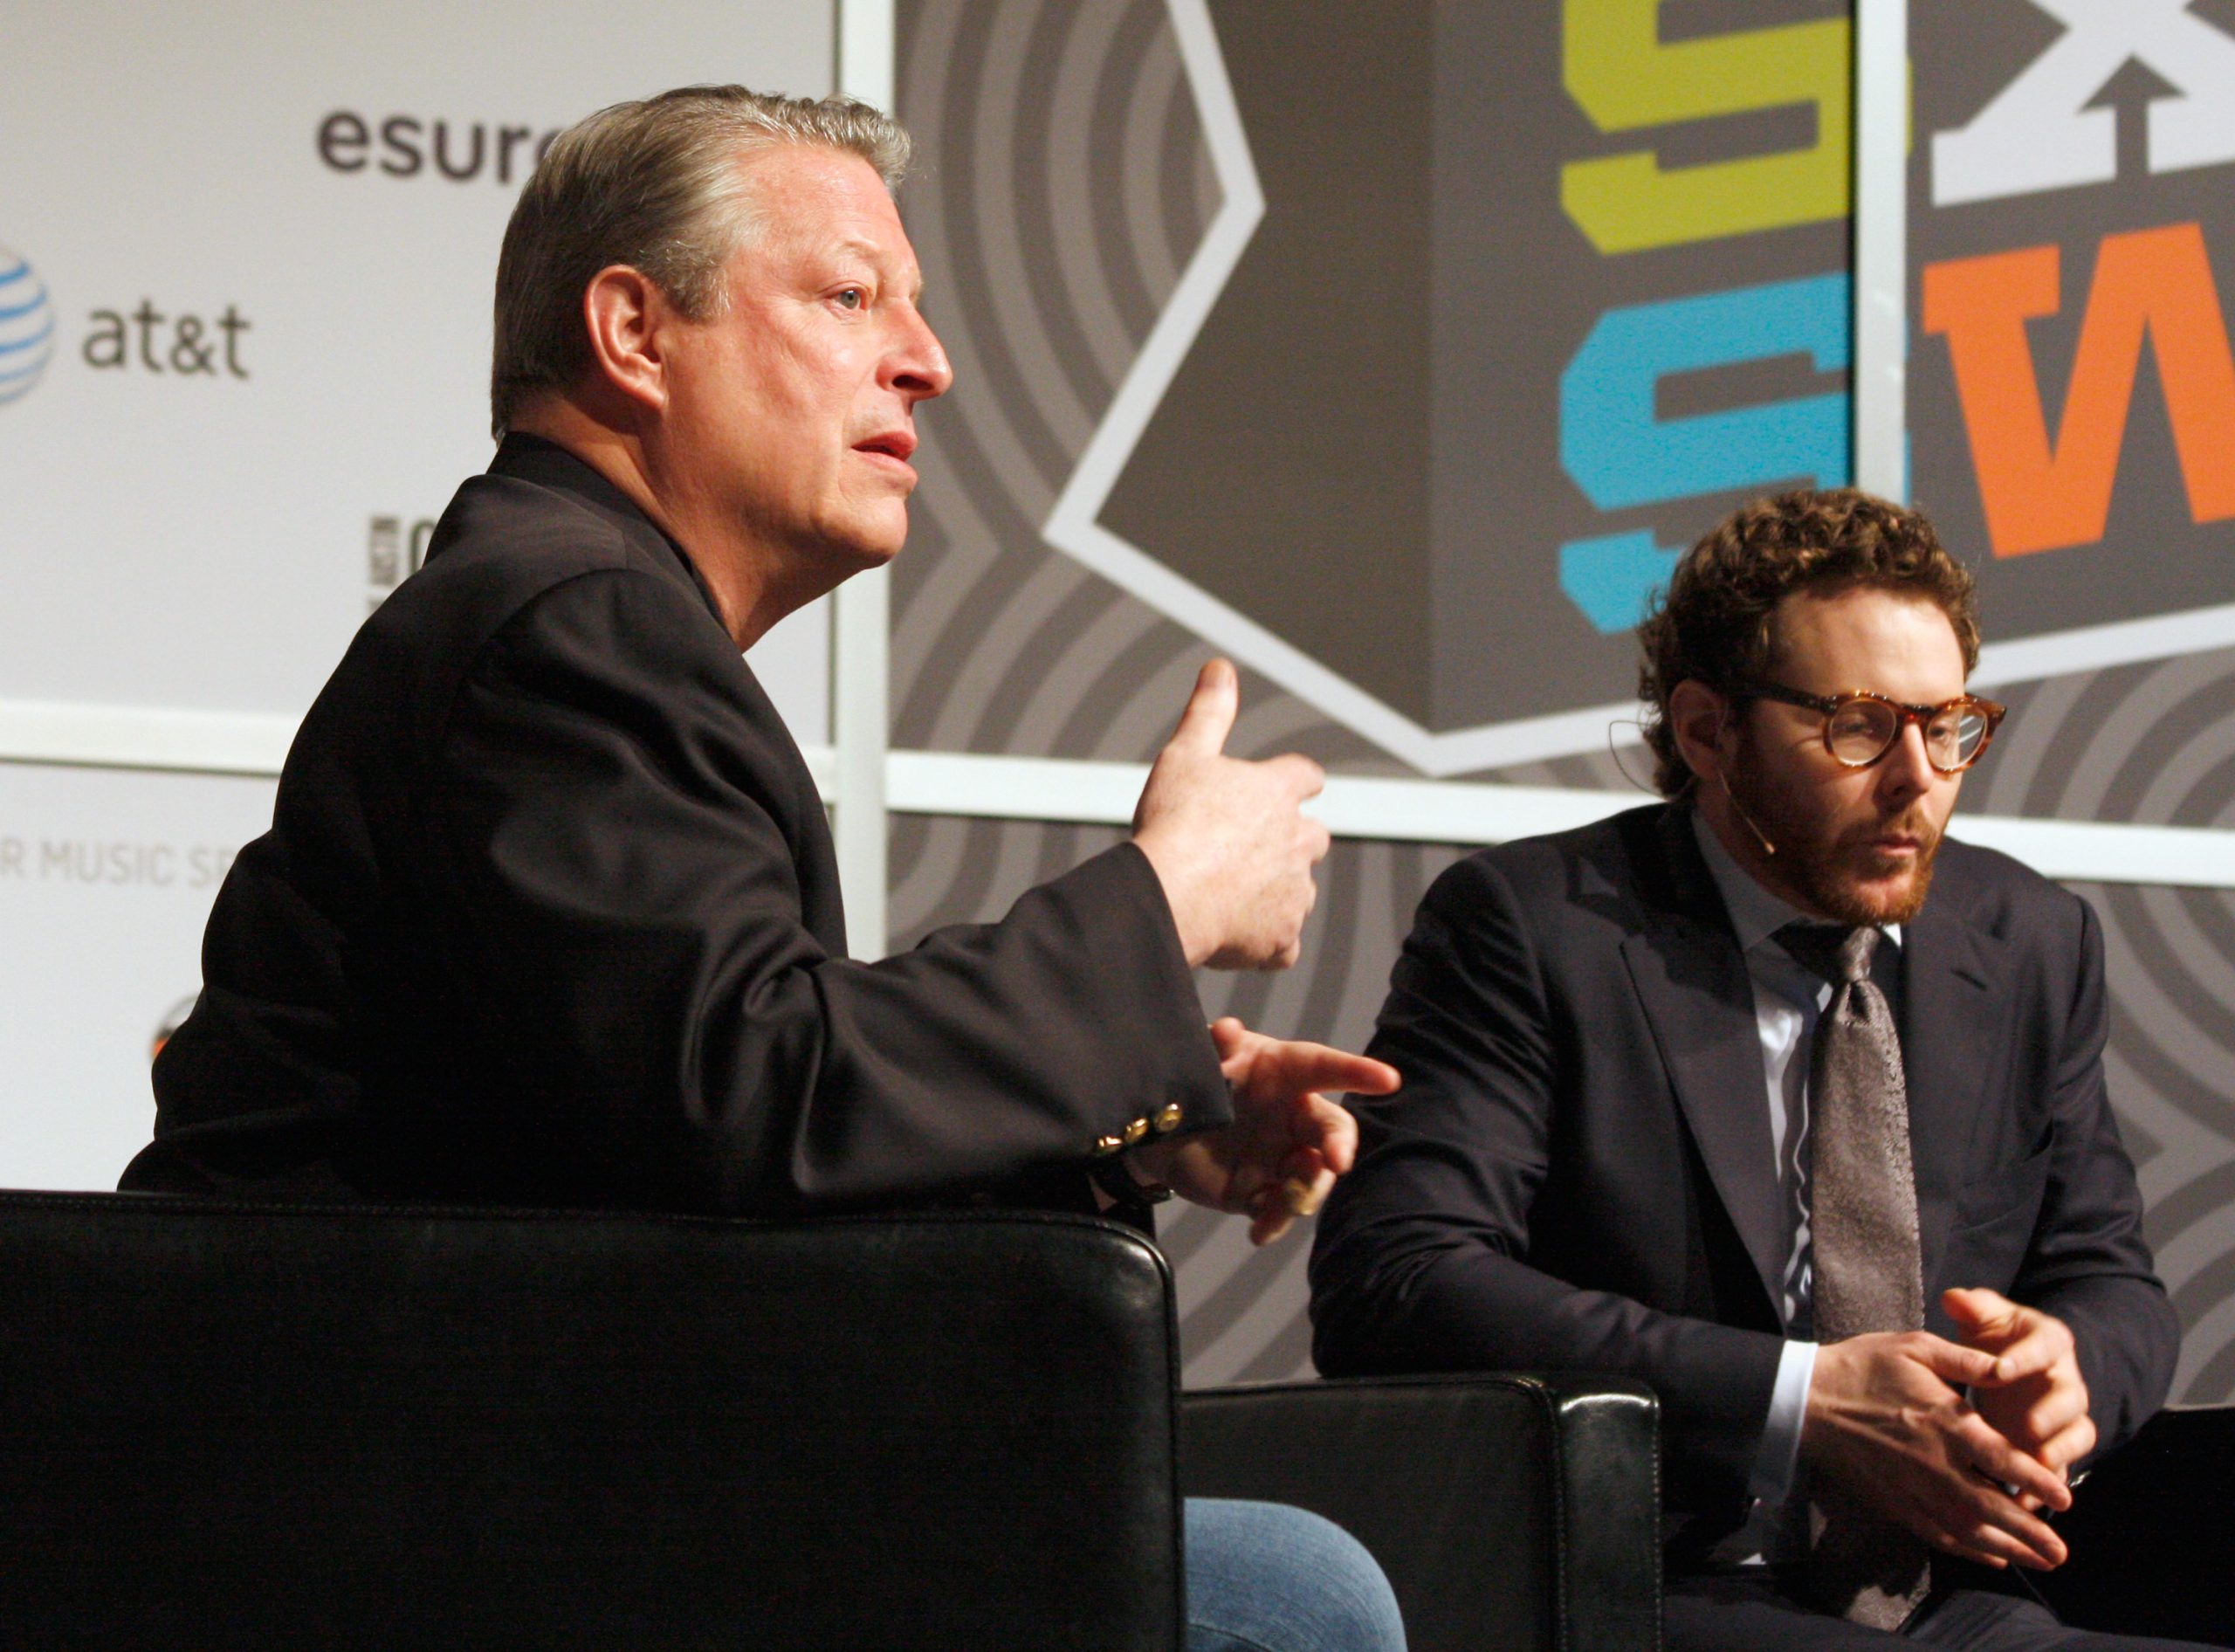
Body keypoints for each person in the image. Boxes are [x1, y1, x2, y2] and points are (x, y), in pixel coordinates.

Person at [123, 86, 1404, 1652]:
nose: (926, 362)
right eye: (853, 297)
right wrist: (1163, 900)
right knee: (1294, 1603)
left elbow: (691, 1108)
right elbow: (764, 1091)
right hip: (404, 1494)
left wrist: (1148, 1116)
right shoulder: (566, 624)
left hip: (496, 1447)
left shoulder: (576, 611)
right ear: (635, 334)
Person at [1310, 488, 2190, 1652]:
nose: (1919, 778)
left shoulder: (2028, 938)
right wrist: (1802, 1400)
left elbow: (2111, 1278)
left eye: (1951, 726)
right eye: (1861, 726)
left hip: (1954, 1599)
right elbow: (1398, 1280)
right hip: (1646, 1587)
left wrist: (2069, 1373)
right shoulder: (1535, 930)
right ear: (1708, 731)